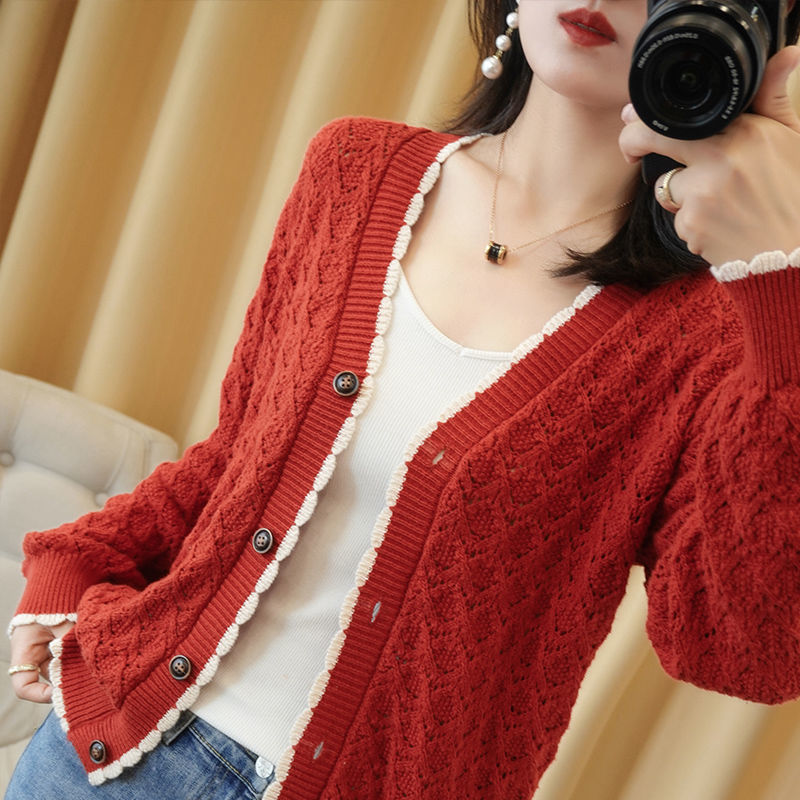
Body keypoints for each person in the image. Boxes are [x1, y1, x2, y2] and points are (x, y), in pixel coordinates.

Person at [6, 1, 800, 798]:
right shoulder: (354, 170)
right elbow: (236, 459)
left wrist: (782, 290)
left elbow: (743, 654)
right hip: (109, 757)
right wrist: (78, 558)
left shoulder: (726, 335)